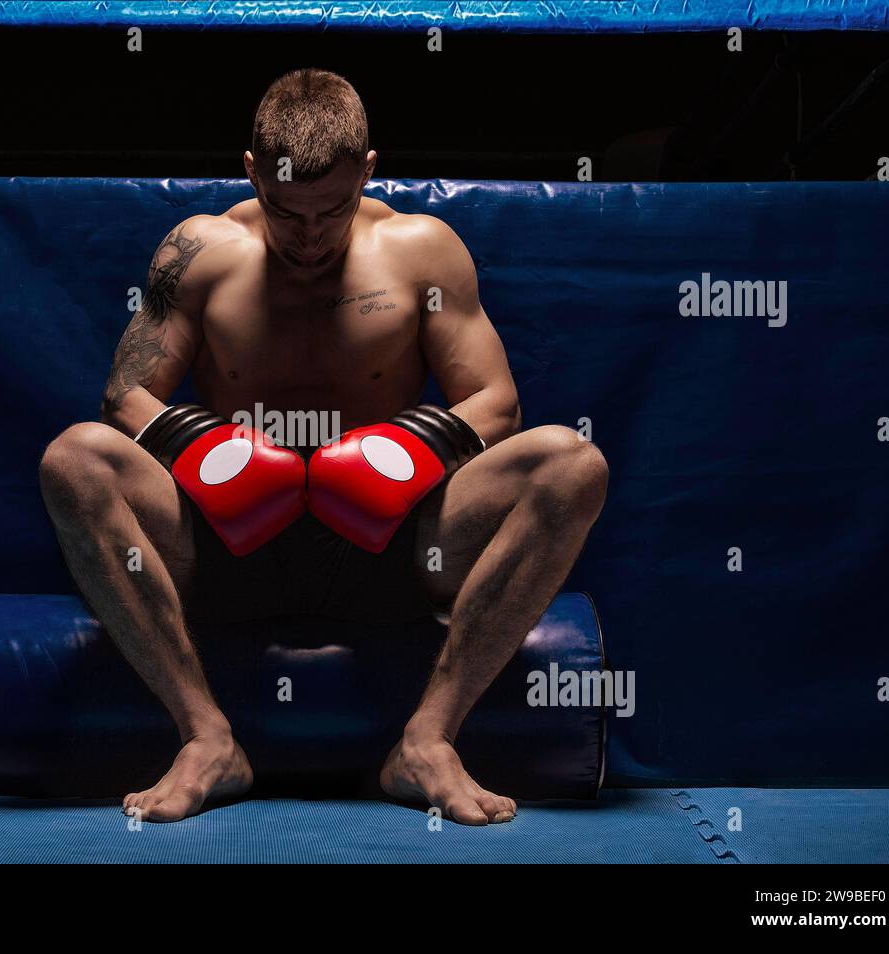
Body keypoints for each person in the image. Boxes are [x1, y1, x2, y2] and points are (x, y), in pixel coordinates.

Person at [39, 68, 607, 825]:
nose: (308, 236)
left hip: (391, 542)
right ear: (251, 172)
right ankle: (207, 739)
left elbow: (496, 400)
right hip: (230, 541)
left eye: (332, 209)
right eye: (285, 210)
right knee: (73, 459)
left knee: (572, 463)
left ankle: (428, 741)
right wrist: (223, 455)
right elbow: (125, 395)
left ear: (368, 171)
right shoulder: (200, 249)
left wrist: (395, 450)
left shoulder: (421, 250)